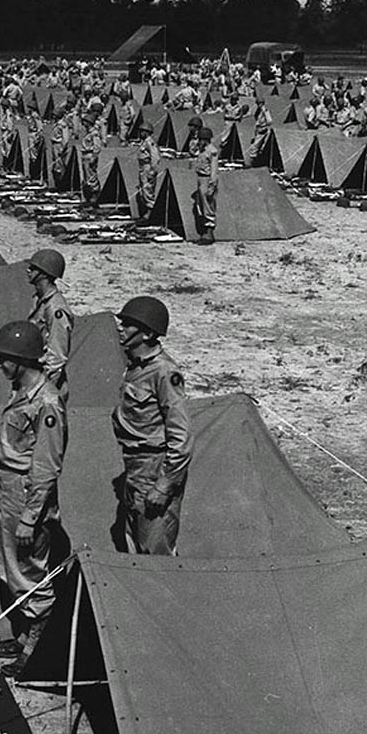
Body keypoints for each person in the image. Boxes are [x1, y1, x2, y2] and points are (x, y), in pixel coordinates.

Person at [0, 321, 67, 678]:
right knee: (13, 567)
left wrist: (30, 517)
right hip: (9, 487)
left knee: (31, 571)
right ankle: (23, 637)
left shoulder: (47, 401)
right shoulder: (21, 391)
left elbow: (47, 467)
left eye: (5, 359)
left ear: (21, 360)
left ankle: (37, 648)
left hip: (26, 494)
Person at [111, 297, 193, 555]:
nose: (120, 327)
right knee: (134, 545)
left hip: (154, 469)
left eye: (128, 324)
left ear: (147, 333)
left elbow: (181, 438)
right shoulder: (135, 366)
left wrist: (164, 485)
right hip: (135, 467)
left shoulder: (164, 373)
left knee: (156, 551)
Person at [26, 249, 73, 400]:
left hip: (47, 384)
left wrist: (40, 390)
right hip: (34, 376)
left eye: (33, 268)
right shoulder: (38, 299)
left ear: (44, 274)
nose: (28, 270)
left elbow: (57, 356)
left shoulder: (55, 309)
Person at [193, 126, 219, 244]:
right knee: (201, 206)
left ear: (206, 139)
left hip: (207, 180)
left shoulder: (212, 151)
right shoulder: (202, 150)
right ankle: (204, 233)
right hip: (200, 179)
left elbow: (214, 172)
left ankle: (209, 234)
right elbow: (192, 150)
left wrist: (211, 187)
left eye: (201, 139)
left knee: (208, 206)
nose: (199, 141)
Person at [135, 122, 161, 220]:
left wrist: (152, 171)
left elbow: (155, 158)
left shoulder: (150, 142)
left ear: (147, 132)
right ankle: (146, 213)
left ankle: (150, 214)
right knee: (143, 191)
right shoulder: (144, 142)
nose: (140, 133)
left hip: (147, 168)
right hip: (142, 168)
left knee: (148, 191)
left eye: (142, 131)